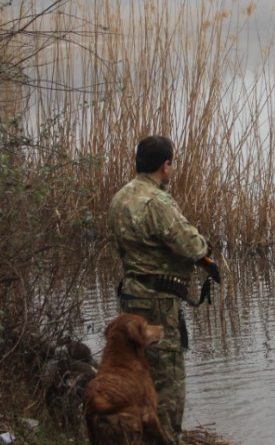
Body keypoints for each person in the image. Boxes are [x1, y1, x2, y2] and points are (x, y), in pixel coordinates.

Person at [108, 135, 214, 444]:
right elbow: (191, 246)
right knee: (168, 380)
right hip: (157, 303)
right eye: (172, 163)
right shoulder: (158, 202)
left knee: (140, 373)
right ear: (165, 166)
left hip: (130, 298)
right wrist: (205, 247)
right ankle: (166, 438)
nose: (172, 169)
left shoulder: (120, 197)